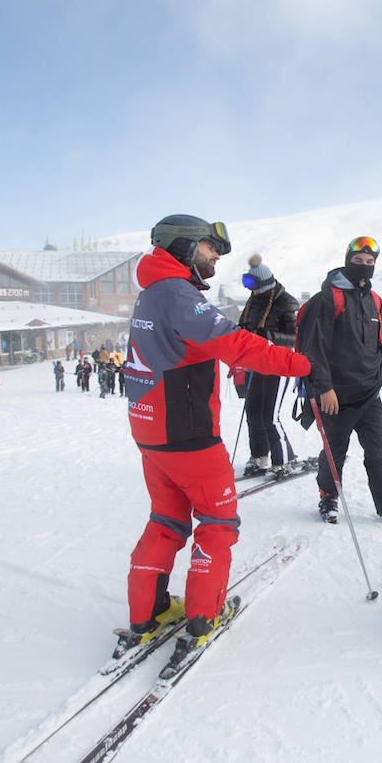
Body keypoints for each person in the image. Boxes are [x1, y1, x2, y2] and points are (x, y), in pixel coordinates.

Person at [116, 214, 311, 672]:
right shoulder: (178, 294)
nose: (216, 257)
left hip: (152, 433)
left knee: (165, 520)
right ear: (184, 245)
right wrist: (301, 365)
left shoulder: (153, 291)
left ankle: (148, 611)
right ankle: (204, 616)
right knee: (217, 523)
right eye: (209, 247)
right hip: (188, 434)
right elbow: (236, 344)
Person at [296, 235, 382, 523]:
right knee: (335, 452)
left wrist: (379, 371)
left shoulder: (375, 301)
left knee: (377, 450)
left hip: (369, 395)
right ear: (347, 261)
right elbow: (314, 349)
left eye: (370, 262)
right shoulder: (327, 300)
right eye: (358, 261)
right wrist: (324, 388)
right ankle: (328, 498)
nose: (364, 266)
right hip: (335, 397)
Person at [236, 254, 300, 476]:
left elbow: (294, 338)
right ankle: (260, 456)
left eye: (253, 285)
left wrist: (268, 335)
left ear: (264, 282)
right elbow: (244, 325)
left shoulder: (287, 302)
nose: (251, 290)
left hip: (279, 363)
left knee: (270, 416)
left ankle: (283, 461)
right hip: (257, 363)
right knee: (253, 411)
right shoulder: (254, 300)